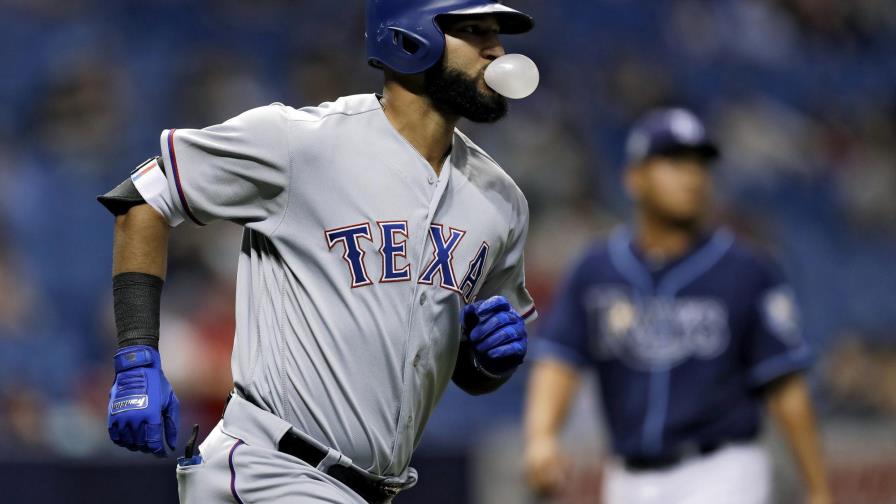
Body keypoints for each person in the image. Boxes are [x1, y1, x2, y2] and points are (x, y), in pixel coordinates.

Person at [97, 1, 538, 502]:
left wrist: (484, 363)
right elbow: (143, 197)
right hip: (274, 468)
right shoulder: (301, 143)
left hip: (366, 489)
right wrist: (137, 355)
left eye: (497, 34)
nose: (497, 51)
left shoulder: (500, 201)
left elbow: (452, 364)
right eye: (475, 32)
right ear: (411, 39)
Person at [523, 108, 833, 504]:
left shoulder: (747, 268)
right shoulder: (597, 268)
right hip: (628, 477)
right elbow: (559, 360)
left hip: (723, 471)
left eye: (699, 164)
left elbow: (785, 383)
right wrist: (541, 438)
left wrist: (819, 489)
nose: (691, 177)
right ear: (634, 179)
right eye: (672, 162)